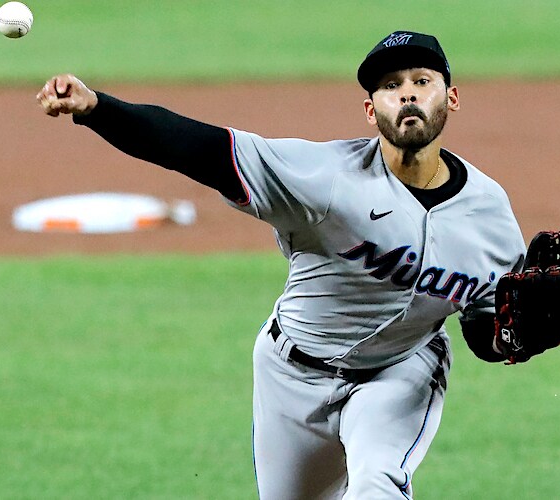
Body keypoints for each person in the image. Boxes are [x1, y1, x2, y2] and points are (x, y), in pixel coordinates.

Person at [37, 31, 526, 499]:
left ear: (451, 97)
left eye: (422, 81)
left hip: (400, 372)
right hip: (291, 376)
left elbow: (487, 328)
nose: (408, 96)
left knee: (378, 484)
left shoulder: (489, 215)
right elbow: (200, 149)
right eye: (391, 86)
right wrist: (97, 109)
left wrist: (518, 335)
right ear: (370, 109)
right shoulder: (324, 178)